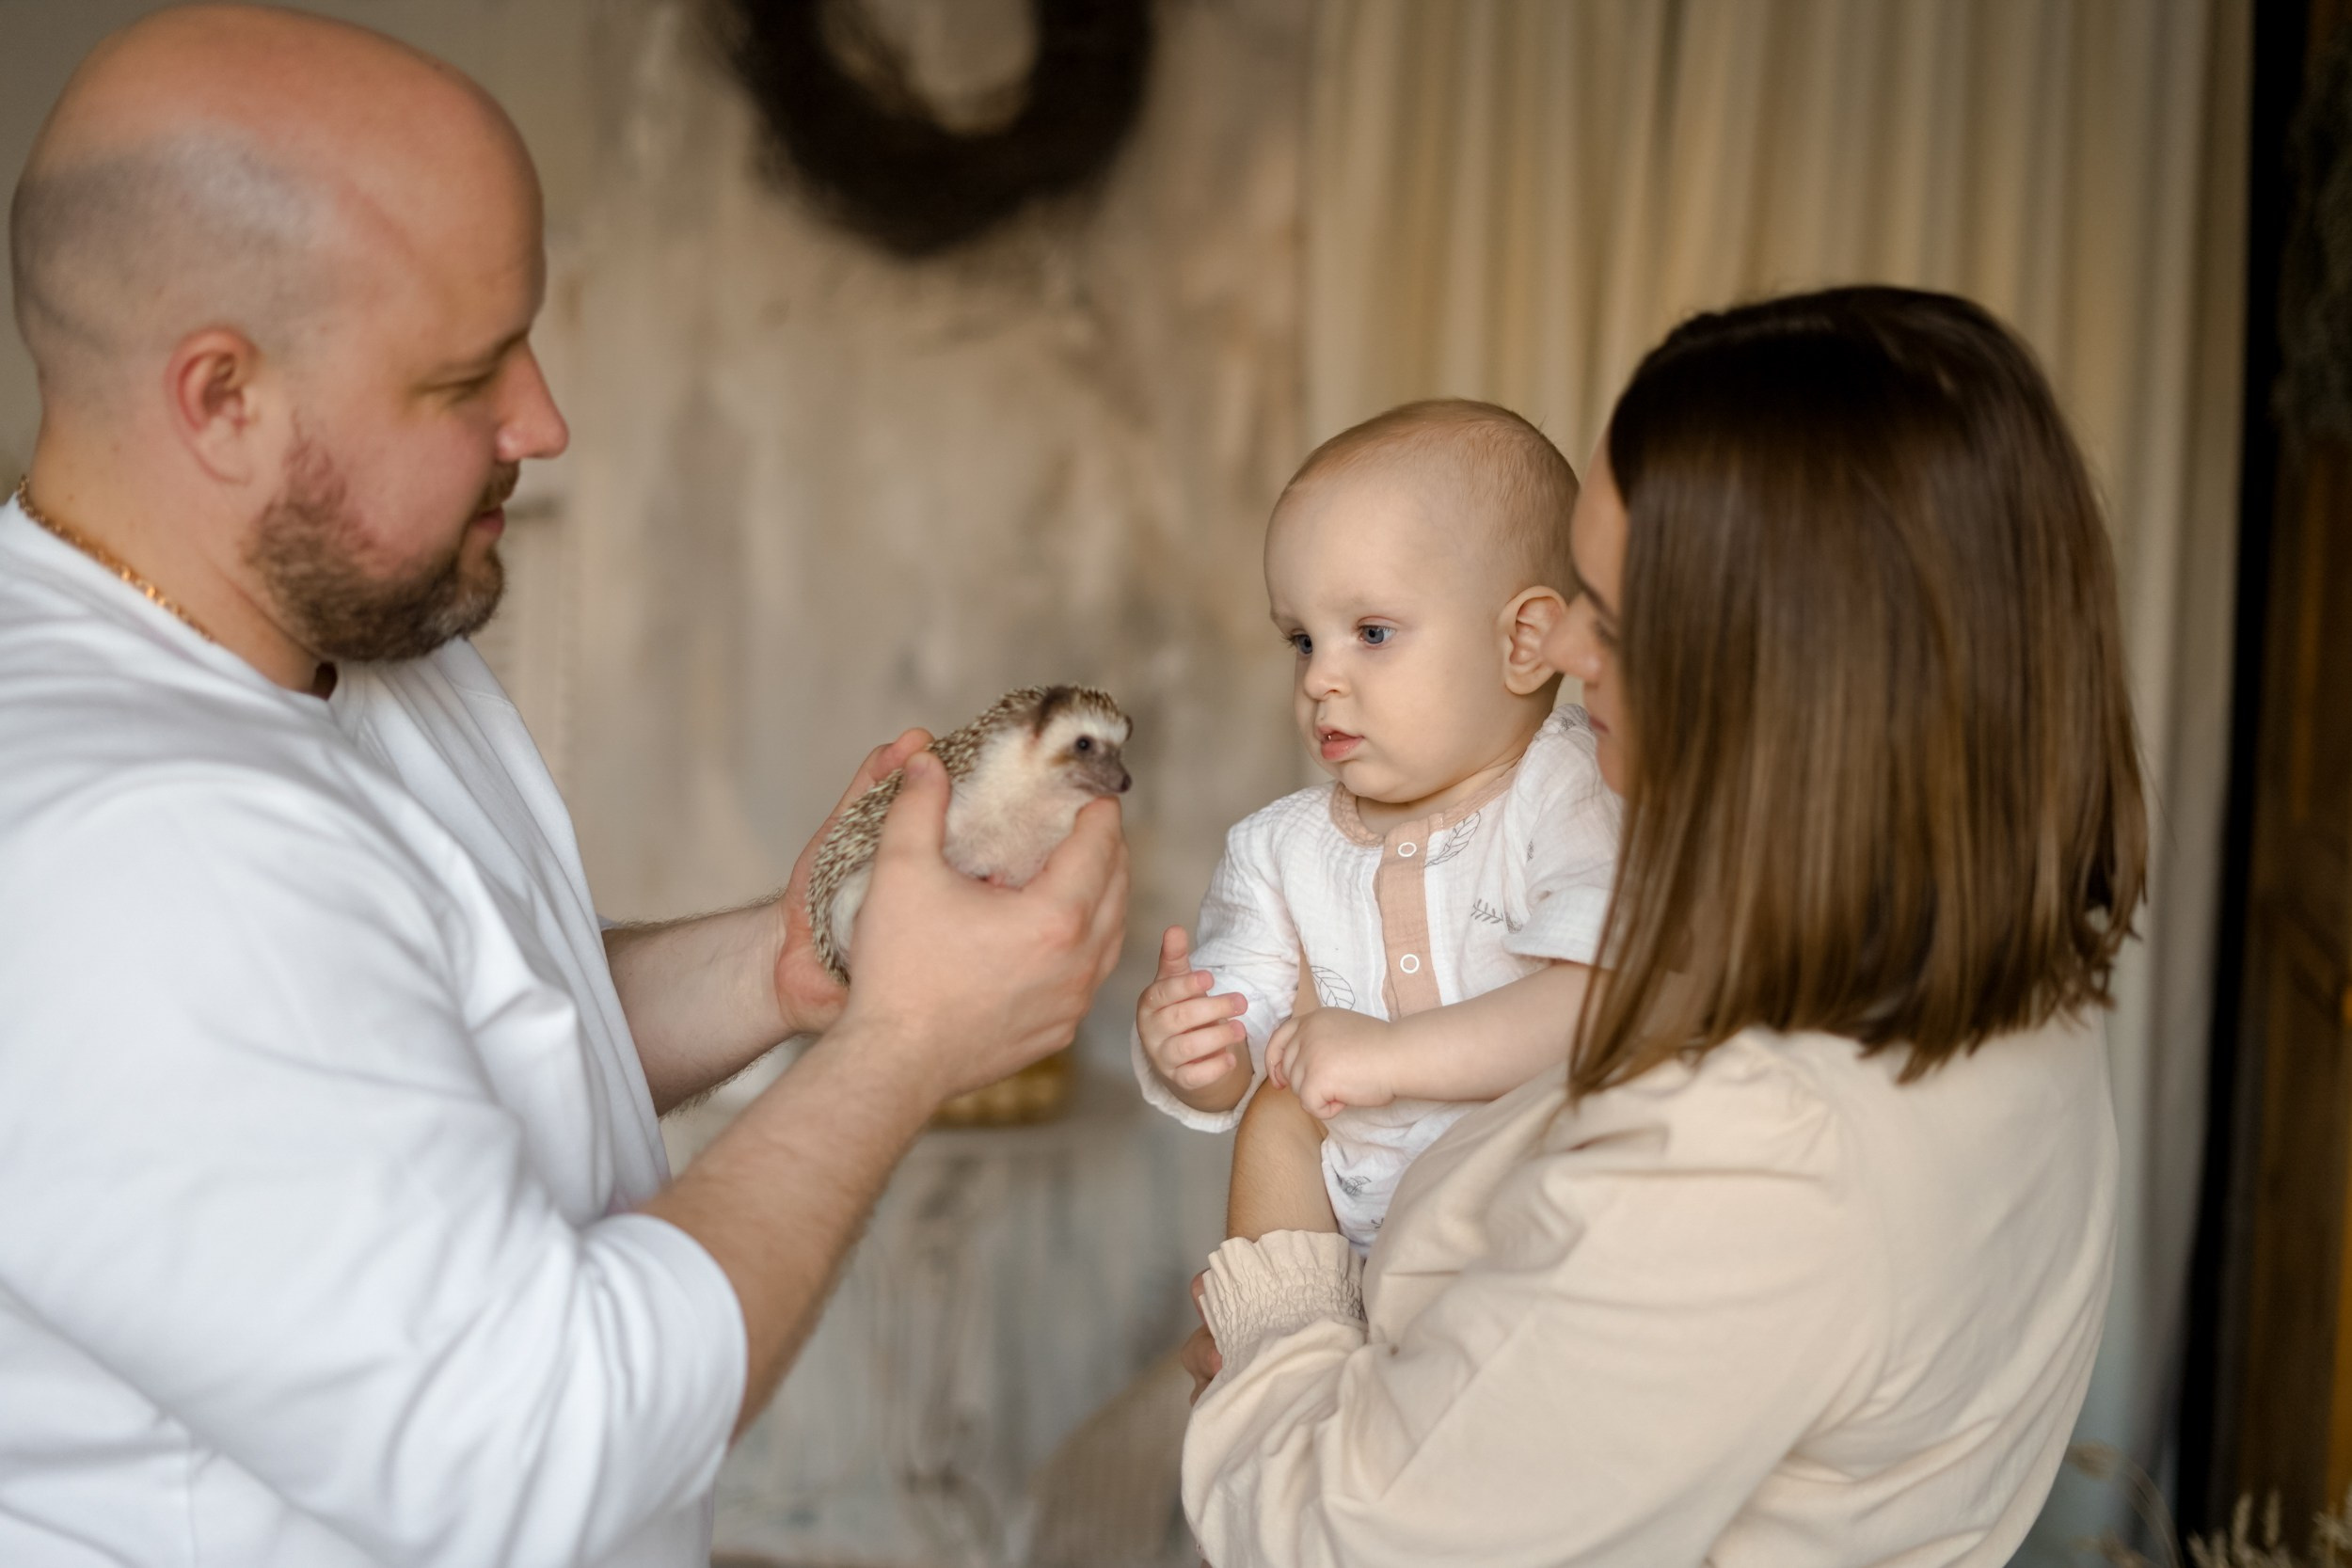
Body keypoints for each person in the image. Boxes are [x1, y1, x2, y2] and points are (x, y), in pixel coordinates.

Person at [0, 8, 1124, 1567]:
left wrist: (796, 958)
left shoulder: (340, 618)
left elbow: (453, 1028)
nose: (541, 421)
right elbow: (549, 1444)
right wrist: (904, 1046)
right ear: (223, 398)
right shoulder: (126, 851)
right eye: (464, 378)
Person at [1180, 287, 2146, 1566]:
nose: (1565, 647)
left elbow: (1336, 1536)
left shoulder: (1758, 1155)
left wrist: (1278, 1227)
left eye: (1610, 614)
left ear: (1788, 681)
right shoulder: (2014, 983)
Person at [1131, 401, 1617, 1253]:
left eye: (1372, 632)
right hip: (1354, 1251)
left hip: (1531, 1236)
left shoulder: (1565, 784)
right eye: (1301, 641)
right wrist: (1198, 1052)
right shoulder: (1277, 850)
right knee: (1273, 1128)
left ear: (1526, 641)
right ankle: (1273, 1344)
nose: (1322, 678)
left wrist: (1390, 1057)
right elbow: (1244, 1036)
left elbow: (1599, 1000)